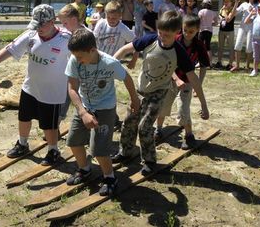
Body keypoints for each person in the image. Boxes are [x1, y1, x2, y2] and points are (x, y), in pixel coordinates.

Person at [112, 11, 209, 175]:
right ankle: (125, 152)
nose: (162, 37)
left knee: (145, 126)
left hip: (159, 92)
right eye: (160, 33)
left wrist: (204, 106)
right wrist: (111, 65)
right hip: (140, 90)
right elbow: (124, 50)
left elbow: (194, 81)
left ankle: (149, 161)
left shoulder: (179, 51)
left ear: (176, 33)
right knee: (129, 121)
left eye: (167, 35)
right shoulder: (150, 40)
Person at [0, 5, 70, 165]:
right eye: (36, 24)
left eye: (42, 24)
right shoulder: (31, 34)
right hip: (30, 87)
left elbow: (82, 57)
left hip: (52, 92)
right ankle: (22, 144)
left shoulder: (66, 39)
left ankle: (53, 150)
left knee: (49, 125)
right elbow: (9, 49)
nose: (39, 28)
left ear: (53, 21)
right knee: (24, 117)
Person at [65, 29, 140, 196]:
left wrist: (135, 100)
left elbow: (126, 78)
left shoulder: (109, 63)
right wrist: (83, 113)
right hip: (84, 107)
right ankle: (85, 170)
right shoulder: (74, 59)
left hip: (105, 109)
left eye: (80, 57)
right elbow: (72, 88)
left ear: (92, 50)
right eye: (75, 56)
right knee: (73, 141)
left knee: (99, 149)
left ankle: (109, 178)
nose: (77, 60)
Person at [155, 14, 210, 149]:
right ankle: (159, 129)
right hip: (170, 79)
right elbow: (169, 63)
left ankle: (189, 135)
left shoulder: (199, 46)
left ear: (198, 30)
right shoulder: (175, 41)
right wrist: (176, 79)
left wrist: (199, 84)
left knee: (183, 109)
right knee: (163, 106)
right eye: (185, 30)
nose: (187, 34)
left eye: (191, 32)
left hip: (187, 82)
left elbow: (203, 66)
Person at [231, 0, 259, 72]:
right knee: (237, 45)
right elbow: (234, 13)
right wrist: (236, 3)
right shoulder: (244, 4)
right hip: (242, 27)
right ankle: (237, 66)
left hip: (252, 27)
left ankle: (247, 66)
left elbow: (259, 17)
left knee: (249, 47)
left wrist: (253, 17)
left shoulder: (258, 5)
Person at [215, 0, 240, 70]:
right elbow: (220, 18)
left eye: (227, 1)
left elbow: (228, 19)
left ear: (230, 2)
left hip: (230, 31)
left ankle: (230, 63)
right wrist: (221, 15)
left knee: (231, 48)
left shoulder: (233, 9)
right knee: (220, 47)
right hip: (221, 30)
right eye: (224, 1)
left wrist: (224, 12)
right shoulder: (222, 9)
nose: (225, 2)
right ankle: (219, 62)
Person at [198, 0, 218, 65]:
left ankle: (200, 62)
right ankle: (210, 62)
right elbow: (216, 23)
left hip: (202, 30)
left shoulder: (201, 11)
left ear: (203, 4)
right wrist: (210, 23)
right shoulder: (213, 13)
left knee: (200, 47)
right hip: (209, 31)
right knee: (208, 47)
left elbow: (199, 21)